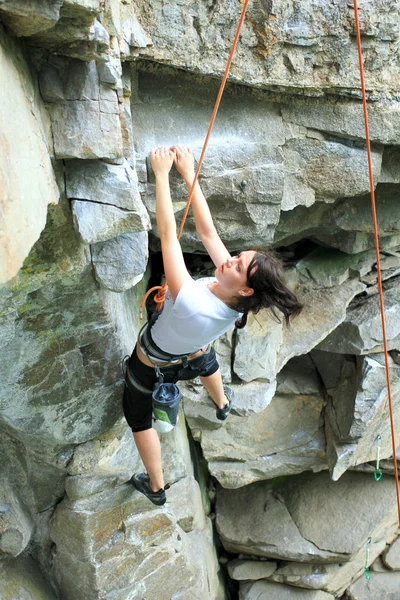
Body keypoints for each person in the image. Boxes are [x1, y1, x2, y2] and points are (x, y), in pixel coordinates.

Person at [123, 146, 303, 506]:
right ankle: (222, 402)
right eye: (238, 257)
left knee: (138, 419)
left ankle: (156, 489)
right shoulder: (238, 299)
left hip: (151, 366)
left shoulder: (194, 300)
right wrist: (189, 174)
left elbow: (168, 235)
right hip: (190, 353)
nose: (230, 260)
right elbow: (206, 233)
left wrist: (161, 175)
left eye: (238, 265)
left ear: (247, 287)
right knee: (205, 357)